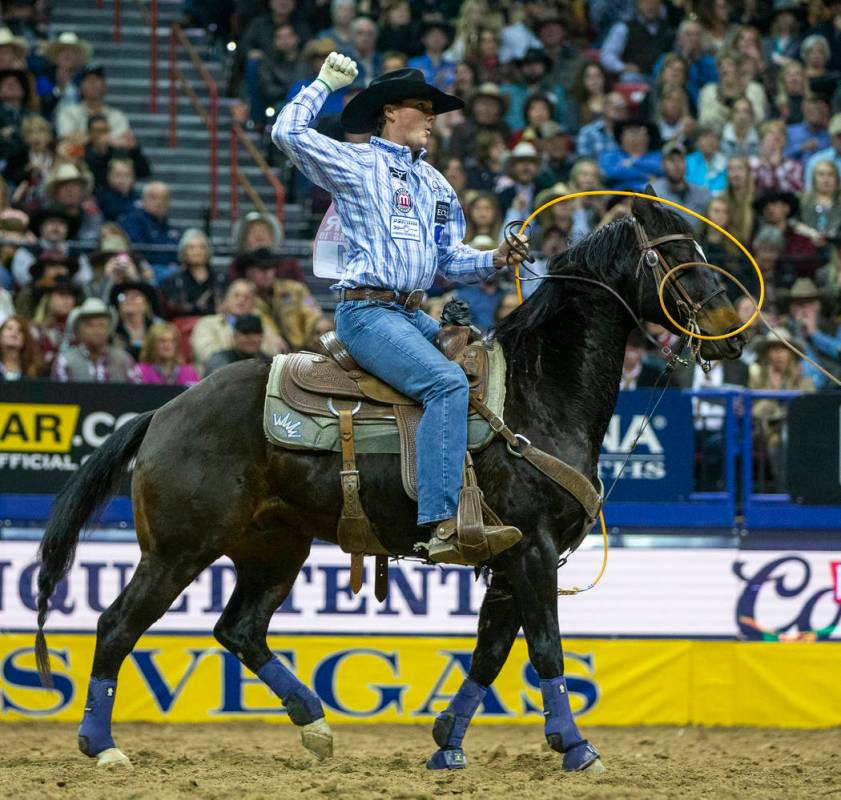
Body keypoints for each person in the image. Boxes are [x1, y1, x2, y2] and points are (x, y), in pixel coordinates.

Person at [272, 54, 526, 562]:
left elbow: (451, 258)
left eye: (434, 110)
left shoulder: (435, 183)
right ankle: (442, 523)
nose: (432, 118)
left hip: (411, 313)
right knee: (446, 383)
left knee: (487, 369)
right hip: (365, 313)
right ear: (390, 112)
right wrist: (323, 83)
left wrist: (495, 258)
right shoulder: (356, 160)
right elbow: (288, 132)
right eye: (422, 107)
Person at [190, 278, 285, 372]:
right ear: (226, 300)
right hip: (216, 380)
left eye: (247, 297)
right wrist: (240, 347)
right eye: (236, 295)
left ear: (253, 303)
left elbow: (273, 353)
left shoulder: (262, 325)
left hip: (255, 377)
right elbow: (207, 355)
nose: (241, 300)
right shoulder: (207, 323)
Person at [52, 296, 135, 382]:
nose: (96, 330)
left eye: (101, 325)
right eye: (89, 325)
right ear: (78, 330)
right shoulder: (66, 361)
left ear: (109, 329)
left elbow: (135, 392)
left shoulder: (123, 359)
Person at [119, 181, 181, 281]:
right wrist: (143, 266)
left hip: (170, 270)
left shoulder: (170, 227)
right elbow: (133, 250)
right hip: (145, 270)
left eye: (164, 198)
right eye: (153, 197)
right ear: (143, 199)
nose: (159, 202)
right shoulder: (134, 220)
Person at [159, 228, 225, 318]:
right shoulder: (173, 281)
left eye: (202, 247)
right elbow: (172, 310)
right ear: (184, 252)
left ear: (208, 251)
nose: (196, 252)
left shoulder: (220, 278)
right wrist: (196, 307)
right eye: (191, 247)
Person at [56, 64, 132, 140]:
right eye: (88, 79)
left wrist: (83, 138)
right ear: (80, 87)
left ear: (105, 86)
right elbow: (66, 138)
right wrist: (107, 139)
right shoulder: (68, 113)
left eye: (97, 79)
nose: (93, 82)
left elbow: (125, 141)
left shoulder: (117, 116)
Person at [651, 140, 711, 222]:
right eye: (671, 160)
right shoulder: (653, 192)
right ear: (663, 164)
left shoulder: (703, 194)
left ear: (686, 163)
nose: (676, 165)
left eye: (680, 159)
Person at [132, 322, 200, 386]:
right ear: (152, 344)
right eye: (162, 341)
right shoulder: (140, 372)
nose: (168, 345)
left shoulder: (190, 372)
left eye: (172, 341)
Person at [203, 313, 272, 375]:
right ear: (235, 336)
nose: (252, 338)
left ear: (262, 336)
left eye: (256, 333)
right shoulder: (221, 360)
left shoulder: (269, 362)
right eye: (245, 333)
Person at [110, 280, 162, 361]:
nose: (128, 299)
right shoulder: (112, 331)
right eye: (123, 296)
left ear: (146, 304)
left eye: (136, 296)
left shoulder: (159, 328)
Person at [0, 313, 41, 379]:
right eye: (9, 328)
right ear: (0, 335)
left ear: (25, 339)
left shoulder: (33, 372)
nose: (14, 332)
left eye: (20, 330)